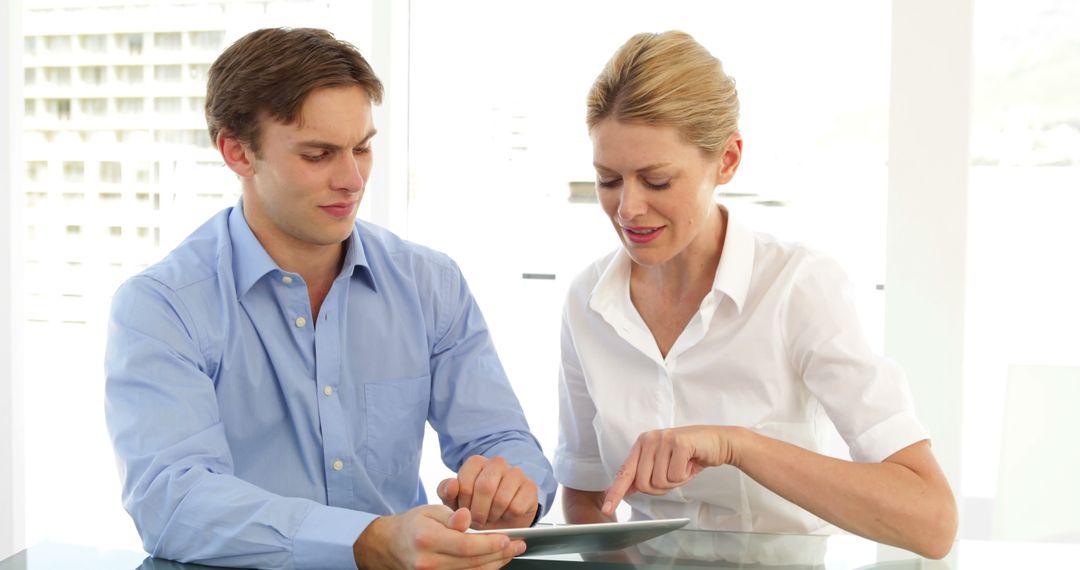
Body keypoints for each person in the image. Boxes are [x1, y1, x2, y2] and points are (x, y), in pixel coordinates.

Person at [105, 27, 555, 570]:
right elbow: (173, 502)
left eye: (362, 147)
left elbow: (502, 438)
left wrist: (513, 490)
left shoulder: (430, 282)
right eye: (318, 154)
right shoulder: (162, 306)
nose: (352, 178)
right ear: (236, 152)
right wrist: (367, 540)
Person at [553, 31, 958, 560]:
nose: (627, 208)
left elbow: (932, 522)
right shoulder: (588, 302)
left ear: (727, 160)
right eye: (609, 180)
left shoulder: (797, 288)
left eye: (656, 181)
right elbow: (586, 500)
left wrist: (736, 446)